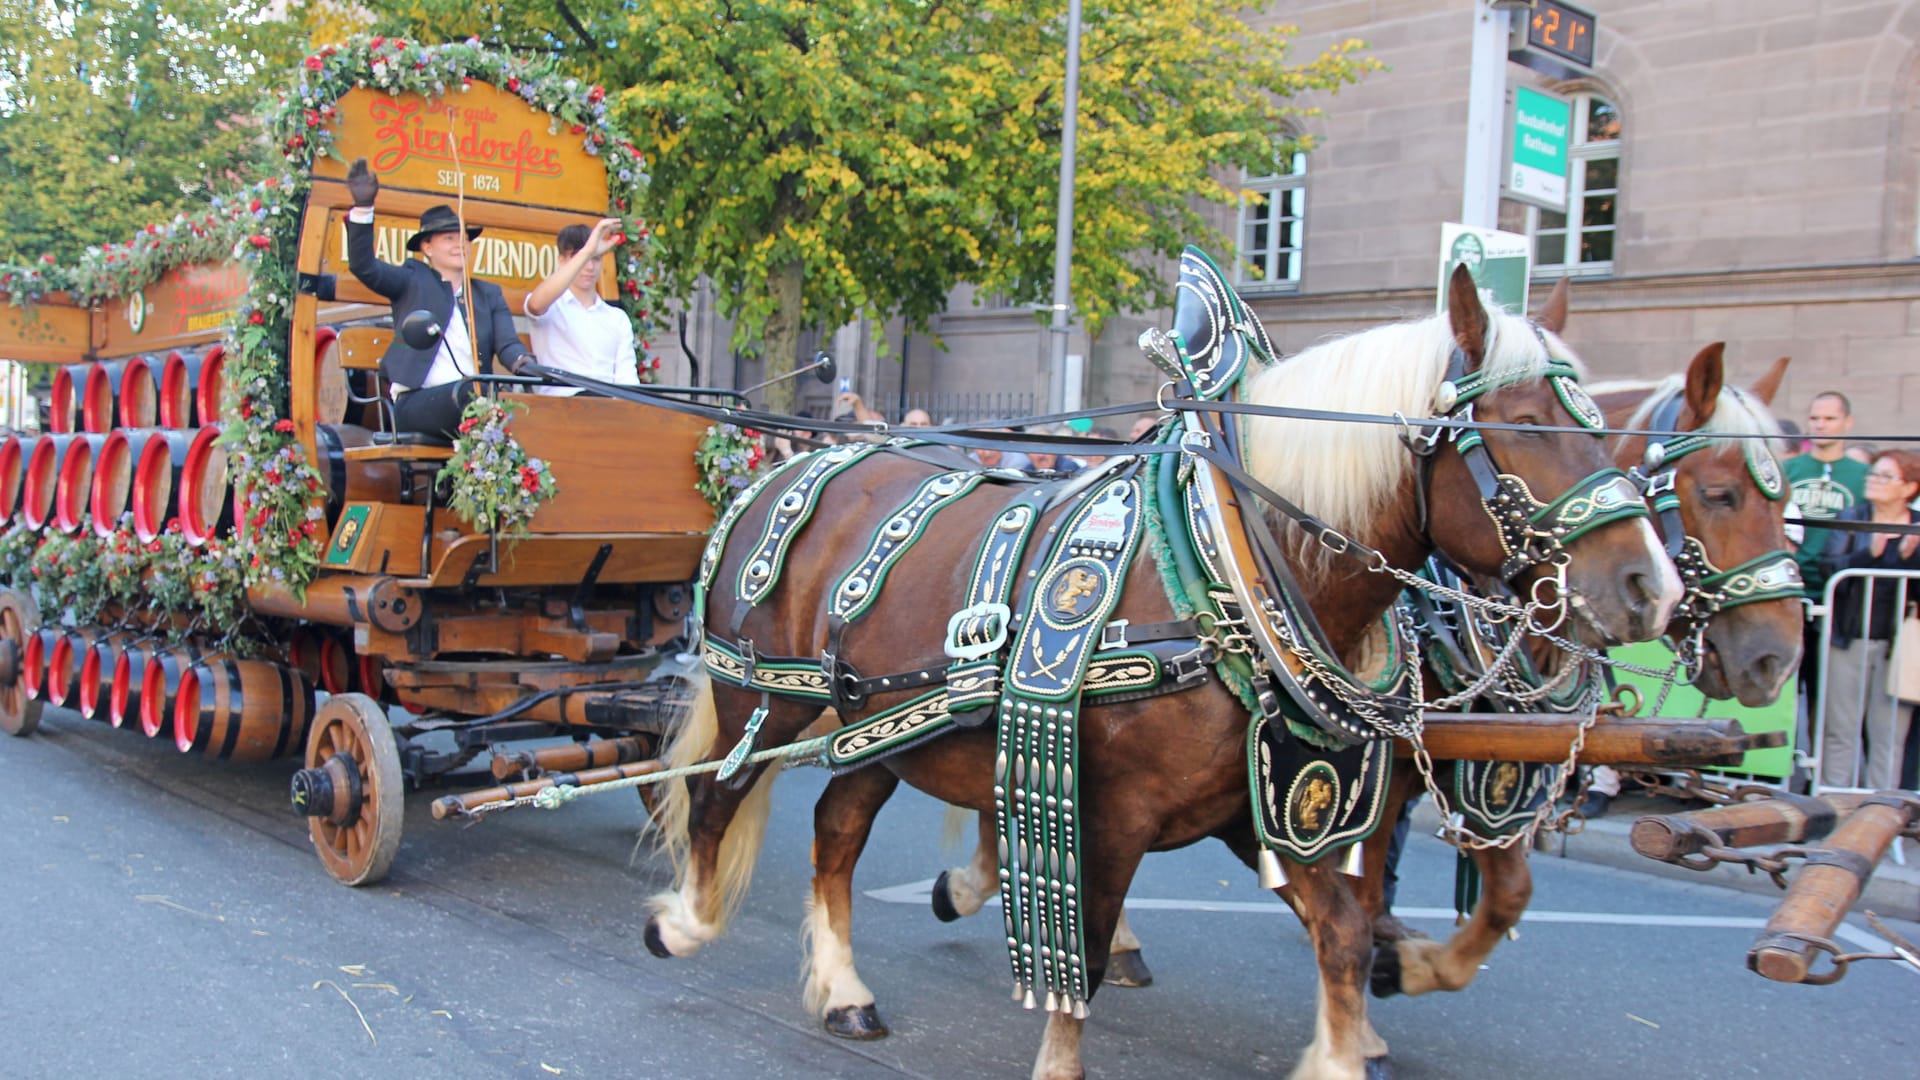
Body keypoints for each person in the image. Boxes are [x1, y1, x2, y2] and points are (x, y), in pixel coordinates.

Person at [343, 158, 531, 436]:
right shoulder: (411, 280)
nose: (460, 245)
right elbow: (364, 266)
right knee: (475, 397)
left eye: (464, 238)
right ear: (427, 248)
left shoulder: (487, 294)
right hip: (418, 402)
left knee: (525, 410)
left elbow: (507, 345)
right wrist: (363, 209)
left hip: (476, 399)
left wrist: (524, 363)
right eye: (449, 239)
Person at [1817, 449, 1920, 788]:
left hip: (1899, 646)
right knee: (1839, 731)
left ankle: (1881, 814)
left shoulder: (1917, 530)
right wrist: (1867, 554)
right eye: (1873, 474)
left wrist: (1911, 559)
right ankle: (1835, 805)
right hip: (1849, 637)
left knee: (1889, 733)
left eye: (1885, 476)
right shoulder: (1852, 518)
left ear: (1909, 487)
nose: (1874, 481)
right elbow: (1827, 567)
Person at [1787, 392, 1871, 730]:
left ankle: (1817, 776)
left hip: (1840, 597)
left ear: (1847, 423)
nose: (1821, 425)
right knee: (1784, 691)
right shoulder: (1789, 469)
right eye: (1815, 418)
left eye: (1830, 419)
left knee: (1828, 695)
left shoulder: (1864, 475)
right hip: (1791, 592)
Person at [523, 219, 638, 396]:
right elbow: (535, 305)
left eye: (596, 258)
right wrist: (587, 251)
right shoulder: (552, 307)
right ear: (562, 261)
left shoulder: (617, 318)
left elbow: (628, 381)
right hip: (561, 407)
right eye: (581, 258)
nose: (590, 267)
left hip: (608, 411)